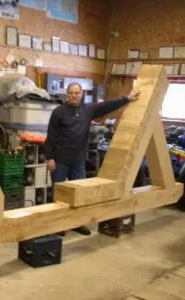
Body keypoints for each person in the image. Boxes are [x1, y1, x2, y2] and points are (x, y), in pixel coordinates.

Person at [44, 82, 140, 236]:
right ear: (67, 94)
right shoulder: (58, 112)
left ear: (82, 94)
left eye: (77, 93)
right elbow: (51, 136)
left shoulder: (87, 109)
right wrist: (50, 158)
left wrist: (127, 98)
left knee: (80, 195)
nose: (74, 95)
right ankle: (59, 225)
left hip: (78, 160)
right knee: (59, 195)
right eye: (71, 93)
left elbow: (107, 106)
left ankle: (78, 223)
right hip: (60, 160)